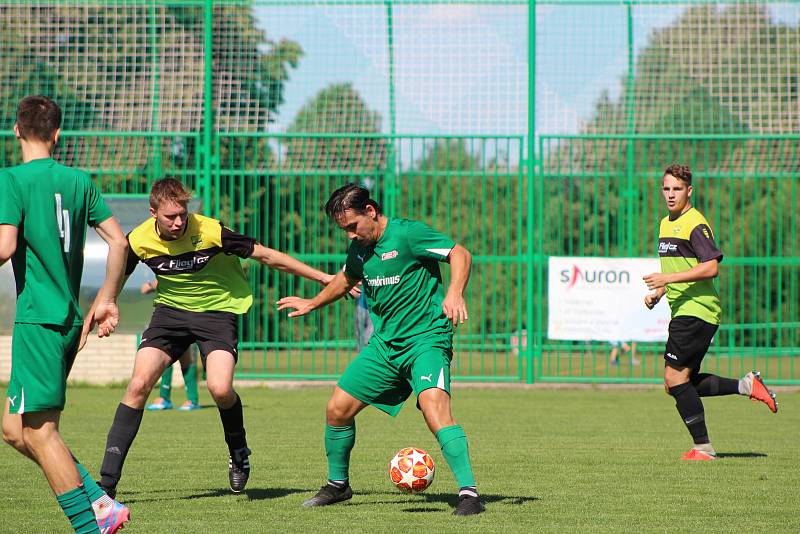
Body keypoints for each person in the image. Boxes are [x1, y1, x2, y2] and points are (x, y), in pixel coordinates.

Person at [98, 178, 346, 498]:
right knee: (138, 385)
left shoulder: (211, 231)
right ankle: (106, 485)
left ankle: (239, 451)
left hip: (218, 312)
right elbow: (114, 275)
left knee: (219, 387)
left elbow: (267, 256)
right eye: (170, 216)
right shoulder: (139, 239)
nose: (178, 222)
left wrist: (325, 278)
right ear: (152, 213)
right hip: (170, 314)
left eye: (182, 215)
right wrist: (104, 307)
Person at [278, 183, 484, 516]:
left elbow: (460, 254)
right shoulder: (359, 249)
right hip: (385, 346)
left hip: (426, 339)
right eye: (343, 229)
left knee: (434, 407)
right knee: (337, 408)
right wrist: (313, 303)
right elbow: (346, 280)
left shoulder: (408, 234)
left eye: (352, 226)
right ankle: (337, 486)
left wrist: (455, 293)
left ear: (371, 212)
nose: (349, 235)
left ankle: (469, 494)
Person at [0, 95, 130, 533]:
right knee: (15, 430)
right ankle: (99, 501)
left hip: (39, 318)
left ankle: (91, 526)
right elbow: (119, 241)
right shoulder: (79, 181)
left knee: (39, 432)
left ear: (16, 131)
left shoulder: (12, 180)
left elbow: (4, 247)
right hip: (67, 320)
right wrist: (107, 297)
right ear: (58, 134)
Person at [643, 163, 778, 461]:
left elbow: (711, 267)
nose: (670, 194)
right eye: (666, 188)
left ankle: (703, 448)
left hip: (697, 312)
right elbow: (682, 268)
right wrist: (660, 292)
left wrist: (666, 280)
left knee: (674, 380)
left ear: (689, 191)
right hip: (685, 310)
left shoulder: (695, 223)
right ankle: (747, 385)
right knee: (679, 383)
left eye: (677, 189)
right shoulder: (666, 223)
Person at [140, 279, 200, 411]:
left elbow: (168, 277)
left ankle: (187, 399)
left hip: (181, 314)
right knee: (170, 354)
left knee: (175, 354)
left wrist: (150, 286)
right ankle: (172, 398)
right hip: (175, 314)